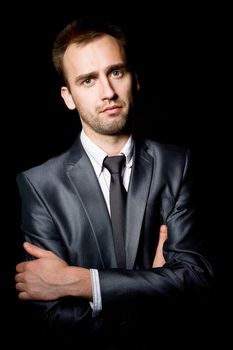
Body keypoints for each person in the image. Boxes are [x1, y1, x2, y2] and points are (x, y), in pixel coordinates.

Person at [15, 18, 213, 348]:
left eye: (116, 72)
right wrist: (157, 284)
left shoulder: (178, 166)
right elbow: (48, 317)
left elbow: (197, 282)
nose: (107, 92)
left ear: (135, 79)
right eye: (88, 80)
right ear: (68, 96)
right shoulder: (40, 185)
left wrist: (83, 283)